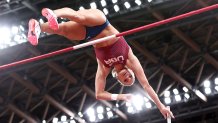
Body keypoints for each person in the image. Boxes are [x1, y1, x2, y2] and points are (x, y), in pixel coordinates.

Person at [28, 7, 174, 119]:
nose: (128, 77)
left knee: (62, 30)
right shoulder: (129, 58)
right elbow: (146, 85)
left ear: (118, 78)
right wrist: (161, 107)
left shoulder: (104, 67)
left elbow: (99, 94)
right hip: (101, 23)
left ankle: (37, 27)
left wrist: (121, 97)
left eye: (126, 80)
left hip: (90, 35)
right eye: (131, 77)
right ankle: (54, 14)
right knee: (78, 16)